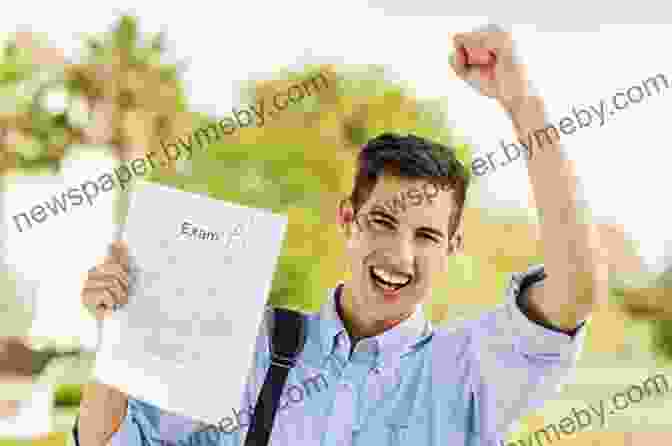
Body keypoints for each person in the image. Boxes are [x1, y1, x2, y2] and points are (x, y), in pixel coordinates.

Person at [75, 25, 606, 446]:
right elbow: (109, 441)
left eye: (425, 235)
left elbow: (577, 289)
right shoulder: (245, 345)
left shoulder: (470, 370)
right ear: (348, 220)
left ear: (452, 246)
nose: (400, 255)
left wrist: (519, 100)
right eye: (382, 223)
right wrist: (118, 334)